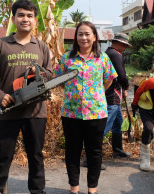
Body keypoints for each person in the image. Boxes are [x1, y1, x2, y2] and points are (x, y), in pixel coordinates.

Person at [0, 0, 53, 194]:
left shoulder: (41, 47)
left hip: (36, 111)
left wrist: (37, 71)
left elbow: (50, 73)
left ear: (35, 21)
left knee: (36, 155)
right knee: (3, 155)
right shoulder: (1, 45)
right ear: (13, 19)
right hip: (8, 110)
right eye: (21, 15)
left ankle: (37, 191)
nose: (25, 19)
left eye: (30, 16)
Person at [54, 21, 117, 194]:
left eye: (87, 34)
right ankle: (74, 188)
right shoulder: (67, 58)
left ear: (94, 37)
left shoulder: (103, 58)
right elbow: (58, 80)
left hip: (96, 113)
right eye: (80, 34)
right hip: (71, 113)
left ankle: (92, 189)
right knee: (72, 150)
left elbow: (109, 79)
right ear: (76, 37)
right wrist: (72, 93)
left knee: (94, 152)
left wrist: (95, 94)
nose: (83, 37)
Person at [104, 33, 132, 158]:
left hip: (112, 93)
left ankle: (118, 150)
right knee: (107, 124)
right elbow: (121, 76)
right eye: (124, 46)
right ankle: (91, 156)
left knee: (118, 122)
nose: (125, 48)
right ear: (120, 44)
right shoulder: (115, 54)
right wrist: (126, 86)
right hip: (112, 94)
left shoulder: (107, 53)